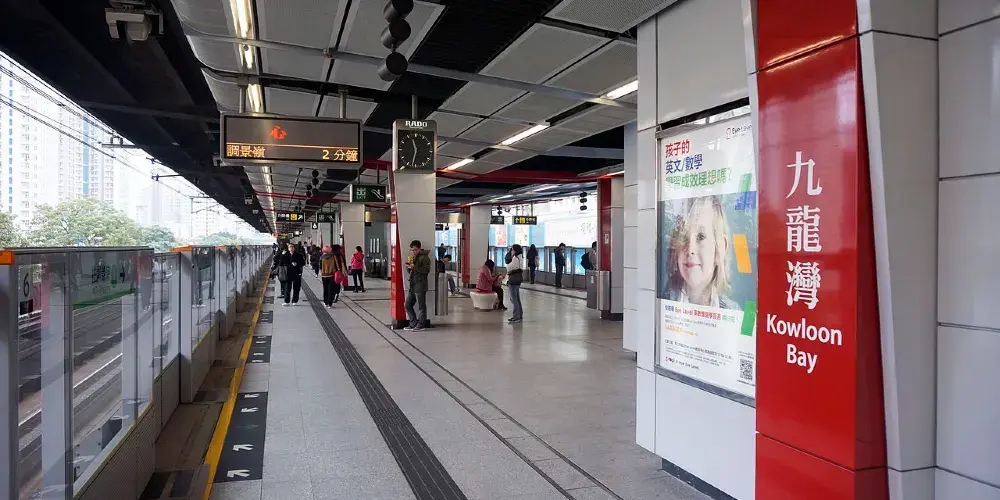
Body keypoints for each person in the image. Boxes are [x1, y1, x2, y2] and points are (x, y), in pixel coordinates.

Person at [664, 196, 740, 310]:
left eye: (701, 237)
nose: (690, 249)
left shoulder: (734, 312)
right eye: (684, 236)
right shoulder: (660, 303)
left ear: (720, 248)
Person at [404, 240, 431, 331]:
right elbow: (412, 272)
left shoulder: (425, 258)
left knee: (421, 306)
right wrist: (409, 268)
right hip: (413, 285)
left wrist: (414, 267)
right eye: (412, 250)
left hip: (420, 285)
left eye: (415, 250)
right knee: (407, 305)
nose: (413, 252)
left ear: (419, 249)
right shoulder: (413, 258)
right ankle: (413, 322)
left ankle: (421, 324)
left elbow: (426, 271)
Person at [506, 244, 524, 323]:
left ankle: (516, 317)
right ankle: (519, 315)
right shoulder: (520, 257)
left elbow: (509, 267)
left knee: (514, 299)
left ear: (515, 250)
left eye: (512, 250)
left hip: (513, 279)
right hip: (518, 280)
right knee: (517, 299)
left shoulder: (515, 258)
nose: (511, 251)